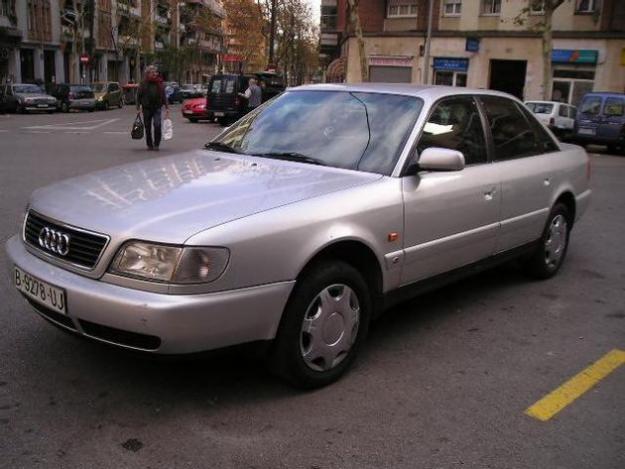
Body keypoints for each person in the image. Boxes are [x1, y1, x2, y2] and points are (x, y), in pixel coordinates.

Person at [136, 65, 169, 151]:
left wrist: (167, 107)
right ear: (148, 74)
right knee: (147, 127)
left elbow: (164, 95)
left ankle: (156, 144)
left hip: (157, 107)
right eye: (153, 72)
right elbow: (138, 96)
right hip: (146, 108)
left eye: (155, 72)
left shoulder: (160, 82)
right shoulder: (143, 83)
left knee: (157, 124)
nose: (155, 73)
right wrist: (138, 108)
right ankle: (149, 144)